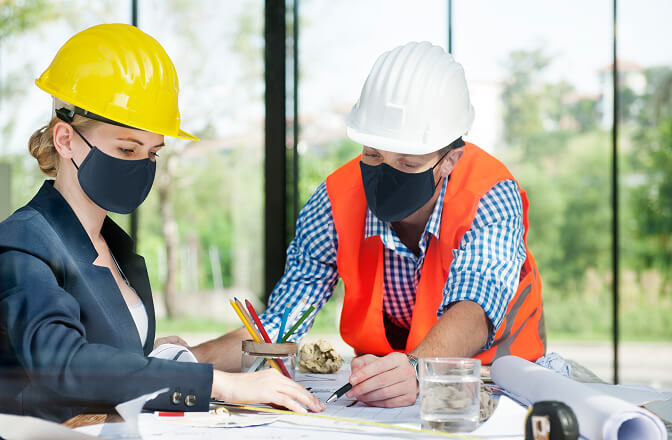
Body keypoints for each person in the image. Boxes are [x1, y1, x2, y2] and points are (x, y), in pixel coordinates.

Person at [0, 24, 323, 424]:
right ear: (65, 139)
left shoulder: (114, 247)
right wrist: (219, 383)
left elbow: (109, 358)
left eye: (152, 152)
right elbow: (65, 364)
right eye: (127, 149)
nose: (141, 165)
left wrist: (153, 358)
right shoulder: (19, 244)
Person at [191, 41, 546, 408]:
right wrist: (188, 361)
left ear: (450, 159)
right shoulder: (334, 201)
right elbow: (282, 321)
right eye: (373, 154)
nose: (386, 172)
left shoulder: (489, 193)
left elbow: (475, 307)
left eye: (407, 163)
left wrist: (416, 369)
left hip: (498, 383)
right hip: (382, 393)